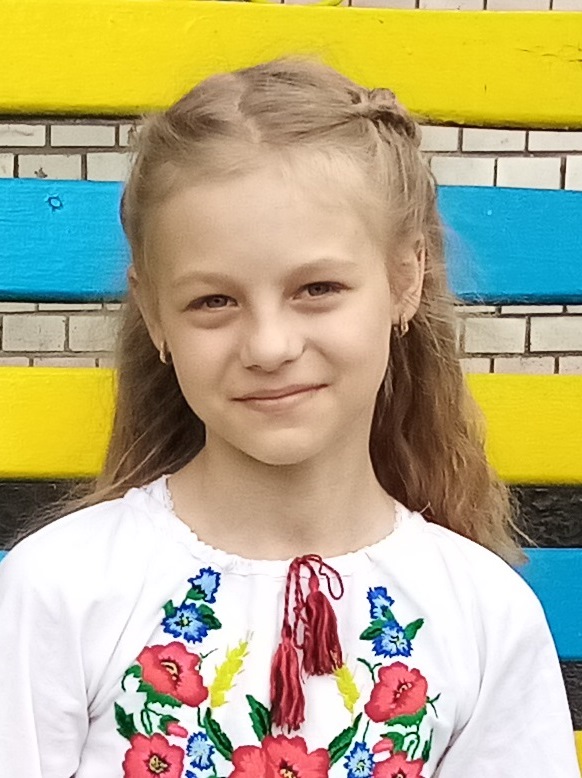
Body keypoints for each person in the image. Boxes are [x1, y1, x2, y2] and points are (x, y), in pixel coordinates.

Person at [0, 55, 578, 778]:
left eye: (318, 288)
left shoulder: (485, 615)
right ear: (153, 313)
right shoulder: (59, 590)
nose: (269, 346)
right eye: (214, 301)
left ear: (405, 280)